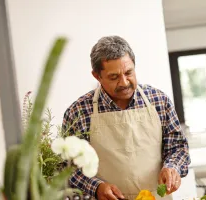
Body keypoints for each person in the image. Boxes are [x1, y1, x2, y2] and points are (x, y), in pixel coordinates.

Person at [62, 35, 190, 200]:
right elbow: (70, 168)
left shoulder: (159, 101)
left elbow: (177, 148)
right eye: (114, 77)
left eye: (129, 72)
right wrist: (97, 187)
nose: (124, 82)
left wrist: (173, 167)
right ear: (97, 76)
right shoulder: (78, 112)